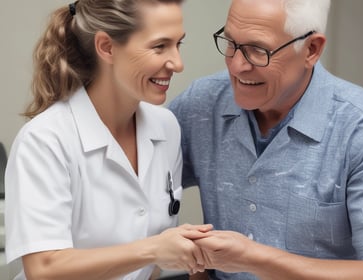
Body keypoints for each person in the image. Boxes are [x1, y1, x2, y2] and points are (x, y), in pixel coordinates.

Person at [169, 0, 363, 279]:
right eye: (231, 43)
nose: (237, 66)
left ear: (311, 50)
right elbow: (137, 182)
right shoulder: (203, 102)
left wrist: (255, 259)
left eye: (258, 50)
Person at [5, 0, 212, 279]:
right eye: (159, 46)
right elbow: (44, 269)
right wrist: (153, 250)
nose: (177, 63)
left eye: (178, 44)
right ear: (106, 47)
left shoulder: (166, 128)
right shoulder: (45, 140)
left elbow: (149, 266)